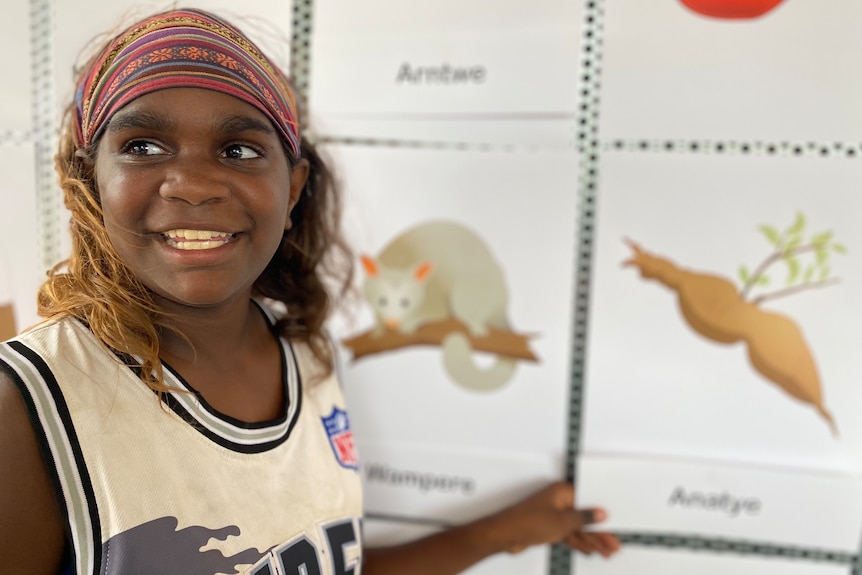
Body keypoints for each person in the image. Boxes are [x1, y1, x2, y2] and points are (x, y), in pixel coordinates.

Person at [0, 7, 620, 574]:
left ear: (293, 189)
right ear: (87, 181)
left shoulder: (306, 356)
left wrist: (502, 532)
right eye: (142, 146)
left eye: (239, 149)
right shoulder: (25, 407)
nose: (191, 183)